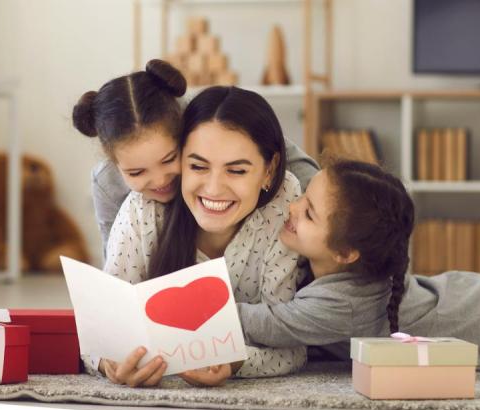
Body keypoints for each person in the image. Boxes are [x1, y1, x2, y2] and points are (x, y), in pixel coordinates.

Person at [236, 159, 480, 371]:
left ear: (345, 253)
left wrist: (178, 303)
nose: (291, 207)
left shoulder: (343, 305)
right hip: (460, 297)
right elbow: (298, 160)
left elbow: (262, 324)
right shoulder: (350, 249)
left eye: (307, 213)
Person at [77, 85, 309, 387]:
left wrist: (235, 362)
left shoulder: (286, 199)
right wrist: (110, 364)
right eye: (197, 166)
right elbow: (99, 334)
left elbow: (290, 344)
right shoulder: (144, 206)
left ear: (269, 170)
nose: (213, 189)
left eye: (236, 171)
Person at [72, 60, 318, 258]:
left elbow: (275, 151)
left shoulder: (204, 126)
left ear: (182, 134)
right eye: (136, 173)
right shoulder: (109, 183)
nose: (159, 180)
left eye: (169, 159)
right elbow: (115, 262)